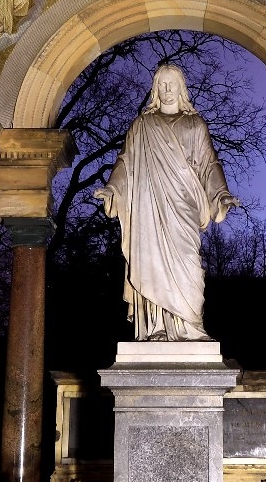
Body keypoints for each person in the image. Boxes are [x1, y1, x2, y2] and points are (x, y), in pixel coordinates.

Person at [94, 64, 240, 341]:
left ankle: (191, 326)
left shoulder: (195, 124)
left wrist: (221, 194)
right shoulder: (141, 125)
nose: (168, 89)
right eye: (162, 84)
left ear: (182, 87)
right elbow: (125, 163)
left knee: (189, 262)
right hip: (150, 208)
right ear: (155, 89)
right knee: (152, 260)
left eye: (173, 83)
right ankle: (156, 328)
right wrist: (113, 189)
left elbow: (210, 164)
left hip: (185, 205)